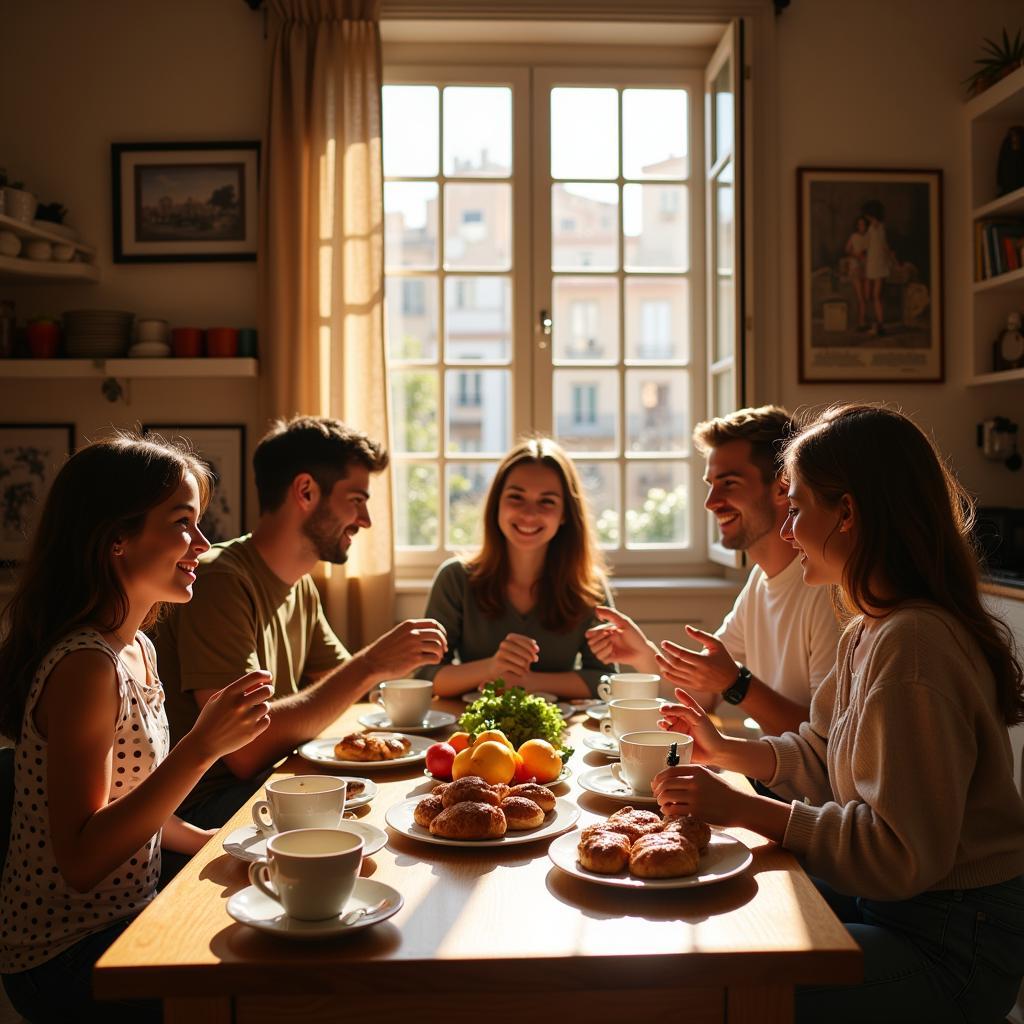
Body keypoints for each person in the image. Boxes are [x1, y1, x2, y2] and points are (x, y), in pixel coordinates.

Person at [653, 404, 1024, 1023]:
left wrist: (745, 808)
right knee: (718, 920)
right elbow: (823, 753)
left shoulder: (913, 645)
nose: (788, 528)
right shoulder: (869, 628)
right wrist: (726, 751)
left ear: (847, 514)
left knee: (720, 984)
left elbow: (900, 855)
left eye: (796, 508)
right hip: (894, 906)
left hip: (951, 941)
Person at [0, 434, 275, 1022]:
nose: (203, 544)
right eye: (184, 524)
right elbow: (81, 858)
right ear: (116, 539)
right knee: (263, 987)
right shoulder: (84, 667)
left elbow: (135, 802)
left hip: (127, 917)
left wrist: (213, 846)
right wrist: (200, 749)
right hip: (64, 956)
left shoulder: (138, 649)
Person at [154, 416, 447, 839]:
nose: (364, 520)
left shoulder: (300, 586)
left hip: (270, 782)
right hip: (210, 809)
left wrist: (373, 672)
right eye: (356, 500)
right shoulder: (219, 579)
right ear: (306, 491)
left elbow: (344, 693)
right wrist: (371, 664)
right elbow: (244, 750)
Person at [587, 406, 839, 738]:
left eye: (729, 483)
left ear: (782, 488)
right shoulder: (759, 582)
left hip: (807, 791)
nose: (711, 501)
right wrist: (643, 654)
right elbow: (702, 694)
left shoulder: (827, 592)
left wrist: (736, 684)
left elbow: (829, 738)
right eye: (710, 484)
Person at [418, 437, 613, 699]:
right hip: (473, 734)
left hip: (558, 734)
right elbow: (425, 678)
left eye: (547, 502)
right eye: (516, 497)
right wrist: (490, 668)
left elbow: (606, 681)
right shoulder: (454, 578)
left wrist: (529, 681)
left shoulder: (589, 586)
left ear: (565, 513)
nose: (529, 514)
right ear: (496, 504)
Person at [862, 199, 894, 336]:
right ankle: (875, 324)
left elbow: (884, 247)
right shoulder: (871, 228)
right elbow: (867, 246)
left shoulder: (880, 228)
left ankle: (879, 326)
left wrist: (893, 261)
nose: (866, 217)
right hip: (871, 264)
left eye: (867, 215)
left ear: (871, 214)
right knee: (869, 295)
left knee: (876, 296)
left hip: (878, 265)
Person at [844, 214, 869, 330]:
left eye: (863, 224)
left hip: (867, 268)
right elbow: (847, 249)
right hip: (855, 268)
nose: (861, 226)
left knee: (866, 296)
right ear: (856, 226)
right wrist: (856, 254)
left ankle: (863, 322)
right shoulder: (854, 236)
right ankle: (861, 323)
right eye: (859, 224)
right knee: (860, 298)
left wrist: (865, 254)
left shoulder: (869, 236)